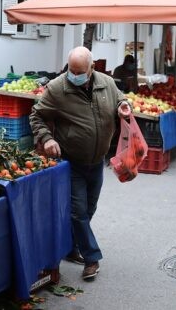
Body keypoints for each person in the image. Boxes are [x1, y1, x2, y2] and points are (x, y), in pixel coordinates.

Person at [29, 46, 132, 282]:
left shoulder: (106, 82)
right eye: (70, 70)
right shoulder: (57, 88)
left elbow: (121, 101)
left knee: (89, 208)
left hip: (97, 161)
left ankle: (71, 247)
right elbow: (36, 115)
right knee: (78, 212)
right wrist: (47, 138)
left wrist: (124, 108)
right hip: (71, 161)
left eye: (79, 71)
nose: (73, 75)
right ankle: (91, 258)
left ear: (91, 68)